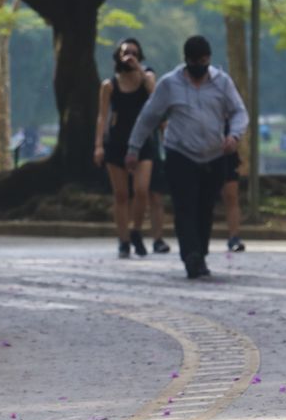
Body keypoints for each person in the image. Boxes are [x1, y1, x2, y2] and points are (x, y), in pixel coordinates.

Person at [126, 35, 248, 279]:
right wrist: (133, 147)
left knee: (205, 207)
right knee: (185, 206)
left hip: (214, 155)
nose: (198, 67)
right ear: (186, 60)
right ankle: (190, 256)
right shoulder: (170, 84)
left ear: (209, 59)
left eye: (203, 61)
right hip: (181, 153)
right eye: (194, 61)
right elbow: (148, 117)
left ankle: (199, 253)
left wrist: (234, 136)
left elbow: (239, 112)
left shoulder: (222, 82)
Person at [94, 37, 157, 258]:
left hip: (142, 142)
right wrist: (99, 145)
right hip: (117, 142)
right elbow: (102, 116)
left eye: (134, 52)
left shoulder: (147, 77)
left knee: (141, 190)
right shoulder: (109, 85)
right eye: (125, 52)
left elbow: (155, 95)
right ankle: (123, 240)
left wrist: (138, 68)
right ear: (118, 56)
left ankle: (136, 230)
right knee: (121, 195)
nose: (129, 56)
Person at [223, 147, 246, 252]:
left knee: (231, 195)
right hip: (196, 151)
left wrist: (233, 137)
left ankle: (234, 237)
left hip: (226, 150)